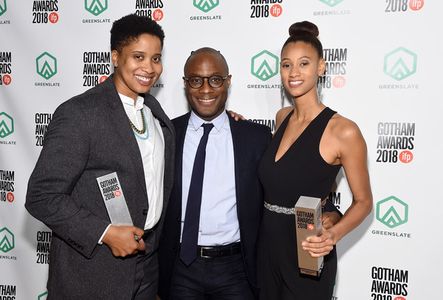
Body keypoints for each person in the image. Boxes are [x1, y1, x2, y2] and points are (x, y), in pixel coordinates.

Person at [25, 14, 175, 300]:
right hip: (91, 273)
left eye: (156, 58)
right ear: (116, 57)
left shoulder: (155, 114)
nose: (149, 67)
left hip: (147, 267)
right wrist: (105, 232)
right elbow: (41, 196)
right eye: (138, 56)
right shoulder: (80, 113)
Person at [257, 21, 373, 299]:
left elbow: (364, 202)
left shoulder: (343, 130)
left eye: (304, 64)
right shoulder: (281, 118)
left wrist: (334, 235)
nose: (293, 73)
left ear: (321, 68)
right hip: (267, 250)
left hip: (307, 250)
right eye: (286, 65)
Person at [157, 47, 272, 299]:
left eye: (215, 79)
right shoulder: (166, 135)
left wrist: (326, 212)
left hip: (236, 270)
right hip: (180, 268)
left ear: (228, 82)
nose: (206, 89)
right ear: (186, 84)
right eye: (196, 80)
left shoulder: (256, 138)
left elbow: (282, 186)